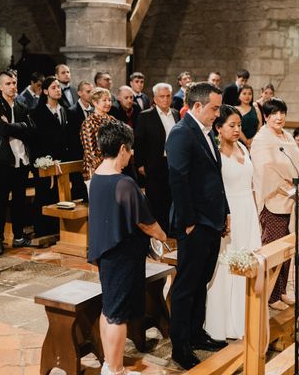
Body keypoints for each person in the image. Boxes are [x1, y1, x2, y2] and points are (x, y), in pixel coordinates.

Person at [88, 120, 166, 375]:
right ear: (122, 148)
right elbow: (145, 222)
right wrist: (164, 236)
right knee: (118, 315)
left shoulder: (97, 174)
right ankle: (116, 369)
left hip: (106, 252)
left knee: (109, 309)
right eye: (130, 149)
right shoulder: (124, 183)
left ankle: (108, 365)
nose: (131, 154)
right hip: (122, 255)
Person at [166, 82, 229, 370]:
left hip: (212, 220)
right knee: (185, 286)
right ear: (198, 106)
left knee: (202, 281)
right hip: (195, 224)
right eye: (215, 108)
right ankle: (180, 347)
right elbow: (178, 179)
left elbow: (216, 177)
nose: (218, 113)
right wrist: (189, 222)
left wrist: (225, 212)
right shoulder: (181, 134)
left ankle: (195, 333)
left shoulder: (206, 133)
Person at [205, 105, 261, 340]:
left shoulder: (242, 148)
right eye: (232, 125)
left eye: (239, 125)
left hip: (247, 211)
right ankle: (223, 323)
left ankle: (244, 317)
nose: (237, 129)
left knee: (247, 263)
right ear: (219, 128)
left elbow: (251, 183)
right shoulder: (215, 153)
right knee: (227, 266)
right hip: (229, 214)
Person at [250, 98, 299, 310]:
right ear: (266, 116)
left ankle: (281, 291)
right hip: (274, 201)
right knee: (274, 250)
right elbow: (265, 172)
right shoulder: (261, 140)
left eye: (282, 112)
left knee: (288, 250)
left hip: (291, 199)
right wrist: (290, 188)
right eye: (274, 113)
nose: (279, 117)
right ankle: (271, 296)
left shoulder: (286, 136)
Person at [0, 70, 35, 256]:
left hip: (22, 158)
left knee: (19, 200)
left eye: (14, 83)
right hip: (4, 159)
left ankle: (18, 236)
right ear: (0, 87)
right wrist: (20, 127)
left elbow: (31, 130)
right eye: (8, 83)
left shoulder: (22, 106)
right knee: (1, 201)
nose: (12, 86)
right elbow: (2, 129)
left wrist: (16, 126)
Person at [133, 82, 180, 233]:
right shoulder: (145, 116)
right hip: (154, 164)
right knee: (155, 201)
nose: (165, 100)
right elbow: (139, 142)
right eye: (162, 97)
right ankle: (156, 236)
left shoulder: (175, 113)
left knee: (171, 198)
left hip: (173, 163)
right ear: (155, 98)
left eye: (168, 96)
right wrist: (140, 164)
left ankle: (168, 231)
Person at [31, 76, 69, 237]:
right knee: (43, 194)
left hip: (61, 160)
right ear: (45, 91)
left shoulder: (64, 110)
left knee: (57, 195)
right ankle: (41, 229)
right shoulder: (37, 112)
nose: (58, 90)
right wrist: (45, 159)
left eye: (59, 87)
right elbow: (36, 138)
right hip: (44, 160)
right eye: (54, 87)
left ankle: (56, 229)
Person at [80, 87, 114, 184]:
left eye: (109, 100)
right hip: (95, 170)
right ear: (95, 102)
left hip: (113, 168)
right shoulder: (88, 123)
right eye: (104, 100)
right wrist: (110, 162)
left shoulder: (112, 120)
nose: (108, 103)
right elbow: (91, 152)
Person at [67, 80, 94, 201]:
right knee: (79, 189)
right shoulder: (71, 111)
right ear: (79, 93)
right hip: (79, 156)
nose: (91, 94)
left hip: (93, 158)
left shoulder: (94, 110)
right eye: (88, 92)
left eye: (92, 91)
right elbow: (71, 138)